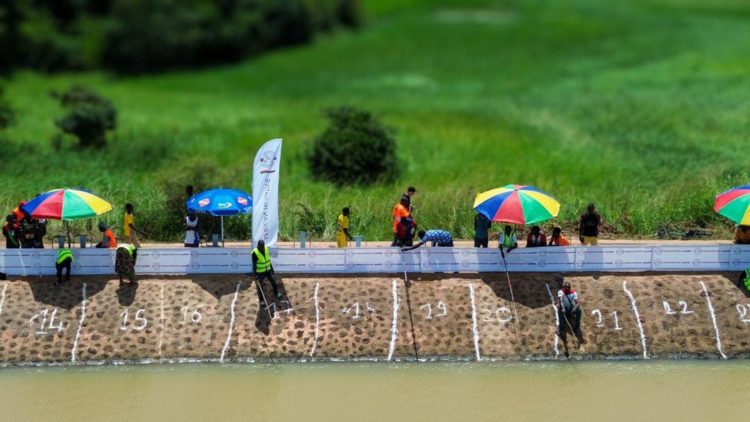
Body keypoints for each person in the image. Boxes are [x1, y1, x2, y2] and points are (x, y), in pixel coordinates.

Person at [252, 240, 282, 306]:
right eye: (261, 247)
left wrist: (272, 269)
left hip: (268, 270)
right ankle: (262, 300)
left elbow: (268, 260)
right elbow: (254, 265)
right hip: (260, 272)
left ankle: (276, 293)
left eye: (263, 247)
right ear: (258, 246)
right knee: (260, 286)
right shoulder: (255, 252)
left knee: (273, 281)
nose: (262, 248)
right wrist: (255, 274)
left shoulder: (266, 249)